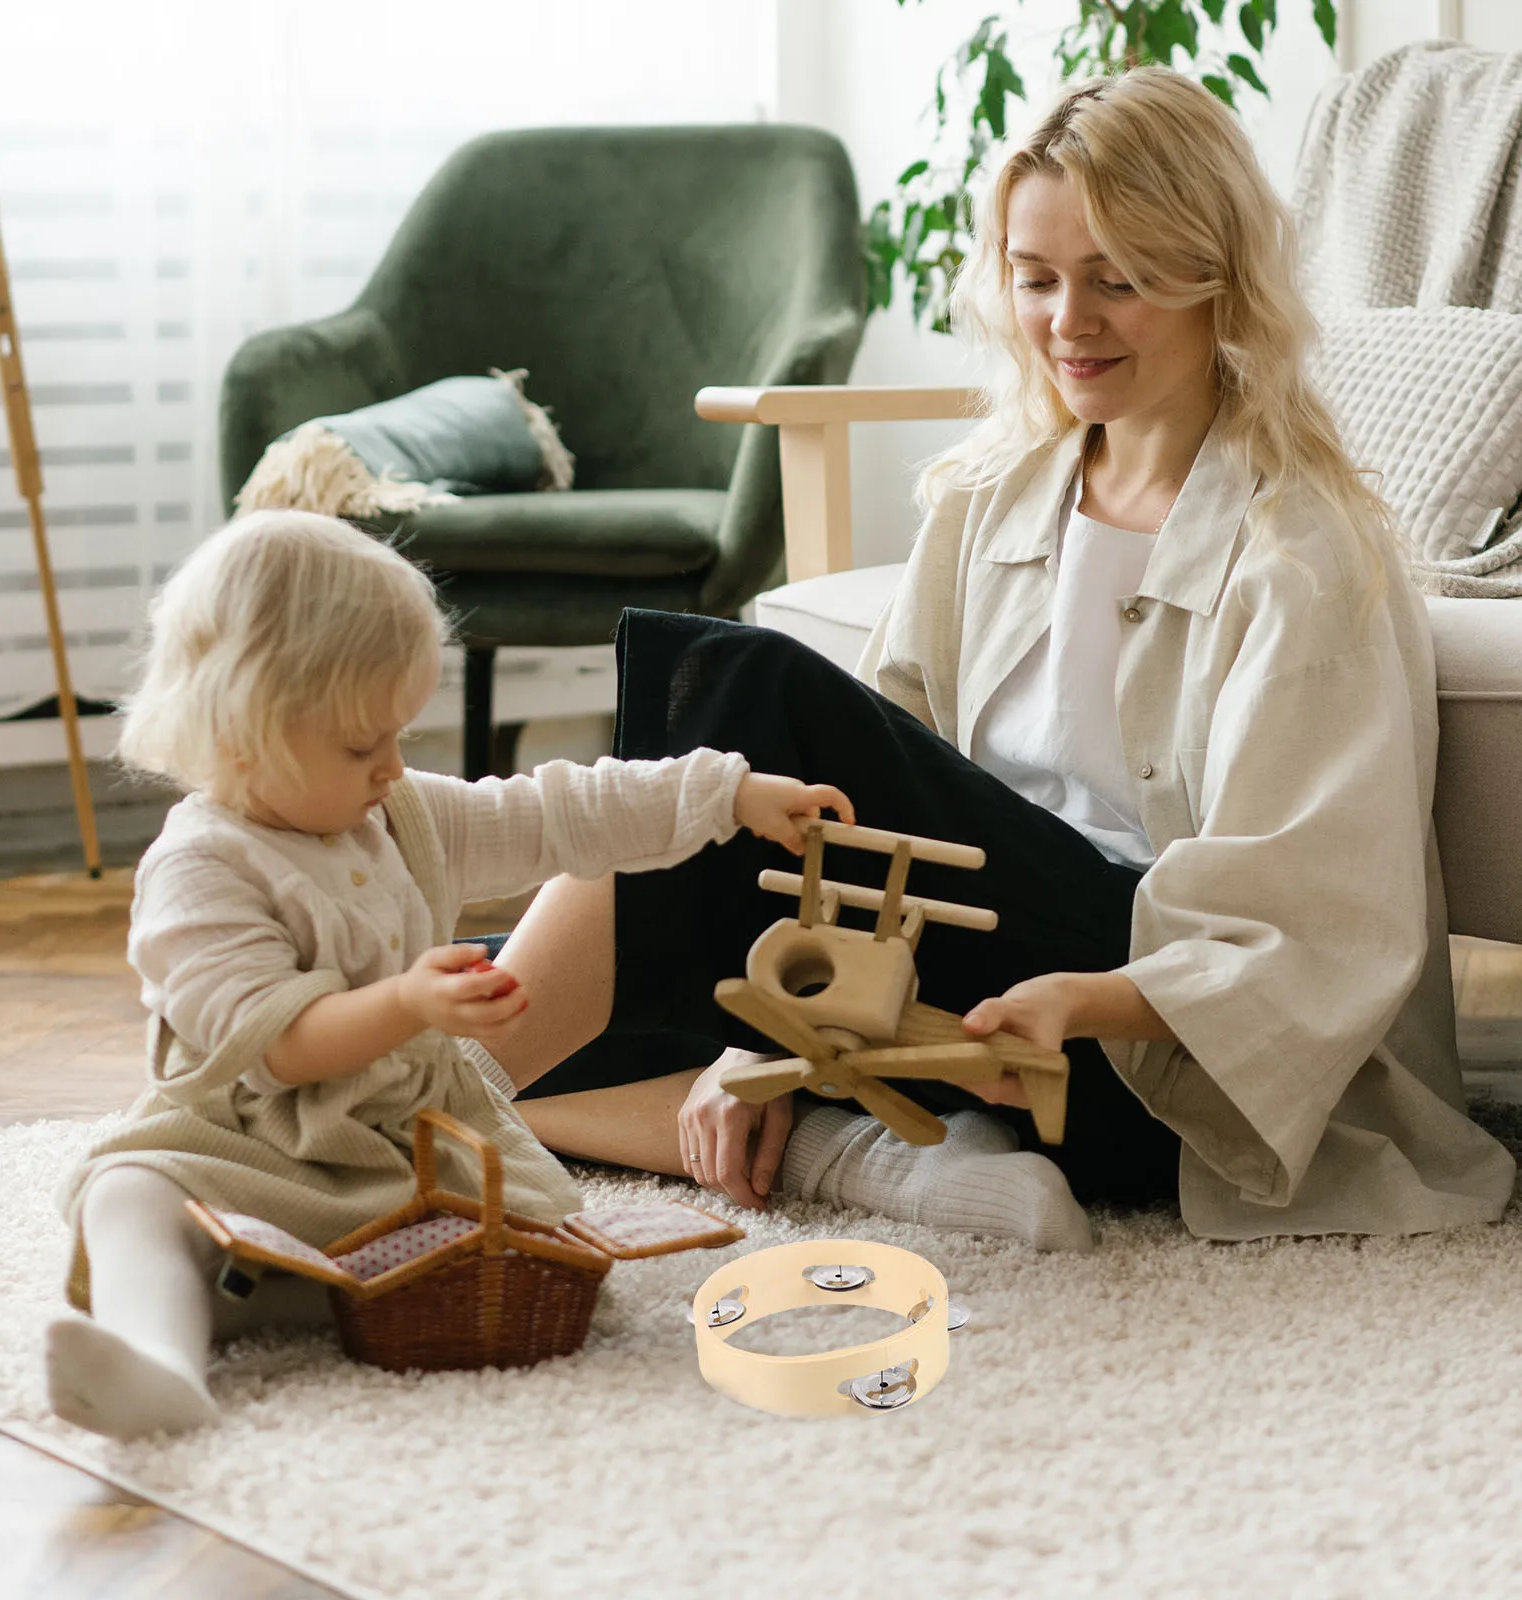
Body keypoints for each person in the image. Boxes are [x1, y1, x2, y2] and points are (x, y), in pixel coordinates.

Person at [470, 66, 1516, 1247]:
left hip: (1126, 1050)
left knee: (744, 688)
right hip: (953, 991)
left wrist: (1085, 998)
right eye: (1036, 279)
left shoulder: (1304, 554)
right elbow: (872, 791)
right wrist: (764, 1029)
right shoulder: (994, 496)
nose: (1068, 322)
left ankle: (375, 1132)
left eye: (1115, 281)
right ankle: (871, 1161)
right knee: (469, 973)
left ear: (1213, 279)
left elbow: (1316, 925)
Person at [46, 508, 851, 1441]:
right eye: (361, 746)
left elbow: (560, 815)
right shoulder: (200, 870)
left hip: (410, 1143)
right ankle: (162, 1363)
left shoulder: (400, 814)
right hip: (253, 1141)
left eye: (400, 734)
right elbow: (278, 1050)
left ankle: (278, 1288)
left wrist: (726, 795)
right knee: (126, 1191)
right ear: (240, 734)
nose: (393, 766)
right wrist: (406, 1003)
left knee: (518, 1246)